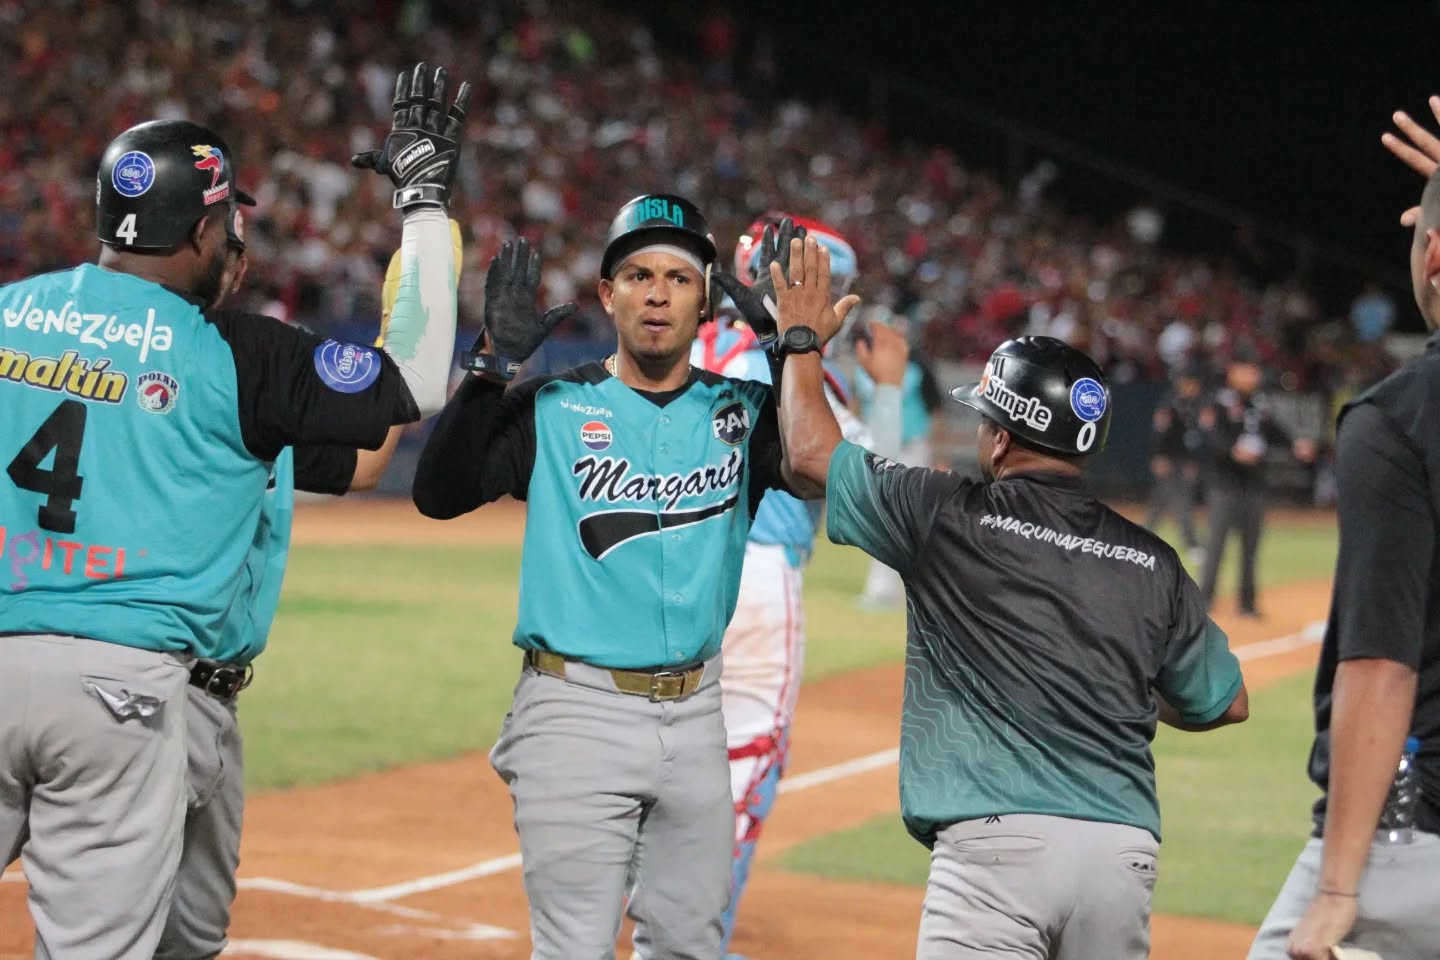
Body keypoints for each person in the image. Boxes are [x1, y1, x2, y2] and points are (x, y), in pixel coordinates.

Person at [0, 62, 468, 959]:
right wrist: (425, 206)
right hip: (125, 686)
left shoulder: (14, 310)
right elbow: (411, 381)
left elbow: (355, 461)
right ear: (208, 227)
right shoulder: (235, 354)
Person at [768, 235, 1249, 960]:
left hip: (997, 855)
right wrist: (1096, 684)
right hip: (1123, 855)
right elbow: (1225, 701)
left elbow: (808, 454)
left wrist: (801, 341)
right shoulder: (1153, 558)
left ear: (997, 439)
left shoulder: (944, 513)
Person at [411, 200, 839, 959]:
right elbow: (439, 494)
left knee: (687, 946)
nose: (656, 292)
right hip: (576, 711)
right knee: (576, 947)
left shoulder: (741, 411)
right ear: (607, 294)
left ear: (704, 298)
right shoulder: (556, 406)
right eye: (638, 273)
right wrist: (488, 373)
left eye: (678, 277)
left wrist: (789, 353)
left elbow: (815, 468)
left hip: (698, 712)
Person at [156, 221, 463, 960]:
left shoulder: (252, 379)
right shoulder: (209, 364)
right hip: (145, 687)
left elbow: (359, 465)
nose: (238, 258)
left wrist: (400, 328)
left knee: (191, 935)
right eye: (227, 242)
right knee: (107, 923)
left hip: (212, 702)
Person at [690, 211, 906, 958]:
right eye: (822, 279)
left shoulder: (692, 341)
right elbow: (870, 480)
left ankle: (651, 891)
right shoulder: (793, 366)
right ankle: (702, 935)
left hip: (673, 567)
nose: (833, 299)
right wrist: (886, 393)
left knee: (671, 743)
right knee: (749, 754)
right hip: (756, 574)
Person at [1246, 130, 1440, 960]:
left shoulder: (1398, 417)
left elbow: (1381, 664)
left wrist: (1337, 890)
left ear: (1432, 256)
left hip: (1414, 849)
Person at [1195, 351, 1314, 616]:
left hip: (1254, 483)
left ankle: (1247, 603)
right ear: (1233, 371)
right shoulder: (1218, 401)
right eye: (1248, 369)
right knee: (1216, 544)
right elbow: (1211, 436)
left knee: (1251, 546)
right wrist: (1232, 452)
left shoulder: (1259, 402)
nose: (1253, 375)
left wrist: (1294, 444)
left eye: (1255, 370)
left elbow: (1273, 431)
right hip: (1224, 483)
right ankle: (1204, 601)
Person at [851, 329, 942, 610]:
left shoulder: (919, 369)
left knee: (916, 520)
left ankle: (925, 587)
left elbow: (935, 411)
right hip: (879, 450)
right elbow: (857, 407)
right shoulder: (863, 371)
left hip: (913, 448)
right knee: (884, 518)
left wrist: (939, 453)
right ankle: (882, 589)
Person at [1144, 361, 1207, 563]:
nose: (1191, 387)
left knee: (1171, 502)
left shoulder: (1197, 404)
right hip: (1168, 460)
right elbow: (1158, 432)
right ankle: (1190, 544)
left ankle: (1145, 540)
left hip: (1183, 461)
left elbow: (1196, 438)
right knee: (1170, 503)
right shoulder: (1170, 403)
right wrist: (1157, 456)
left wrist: (1193, 461)